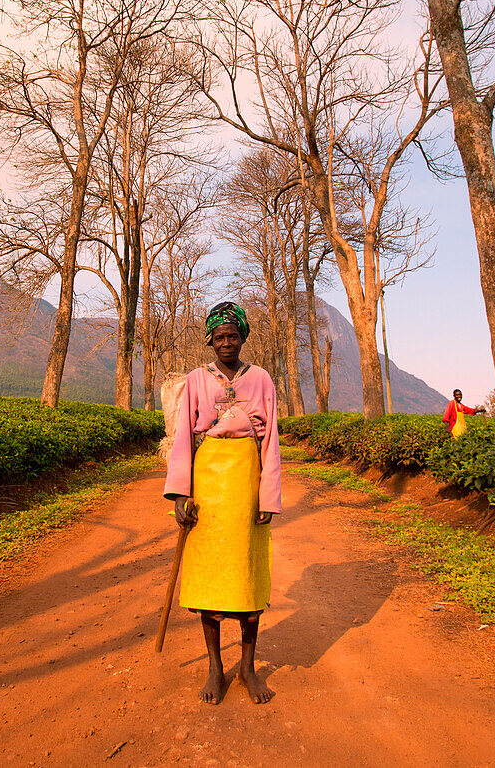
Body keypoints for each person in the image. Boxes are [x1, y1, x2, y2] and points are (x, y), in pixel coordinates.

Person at [164, 301, 281, 706]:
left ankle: (247, 667)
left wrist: (268, 495)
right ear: (210, 340)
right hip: (209, 480)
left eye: (233, 335)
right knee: (211, 578)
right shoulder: (197, 379)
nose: (226, 342)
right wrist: (181, 493)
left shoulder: (262, 379)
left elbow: (271, 441)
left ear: (243, 338)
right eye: (219, 336)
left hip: (247, 478)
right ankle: (216, 667)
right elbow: (183, 438)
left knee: (248, 577)